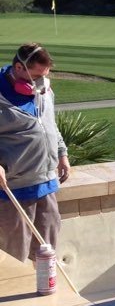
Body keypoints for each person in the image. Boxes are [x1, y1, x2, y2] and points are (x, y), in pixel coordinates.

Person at [0, 43, 71, 263]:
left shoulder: (44, 90)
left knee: (47, 248)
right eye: (36, 76)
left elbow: (50, 124)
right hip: (14, 187)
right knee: (15, 253)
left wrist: (62, 153)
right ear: (19, 68)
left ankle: (43, 290)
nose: (40, 82)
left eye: (44, 75)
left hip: (46, 182)